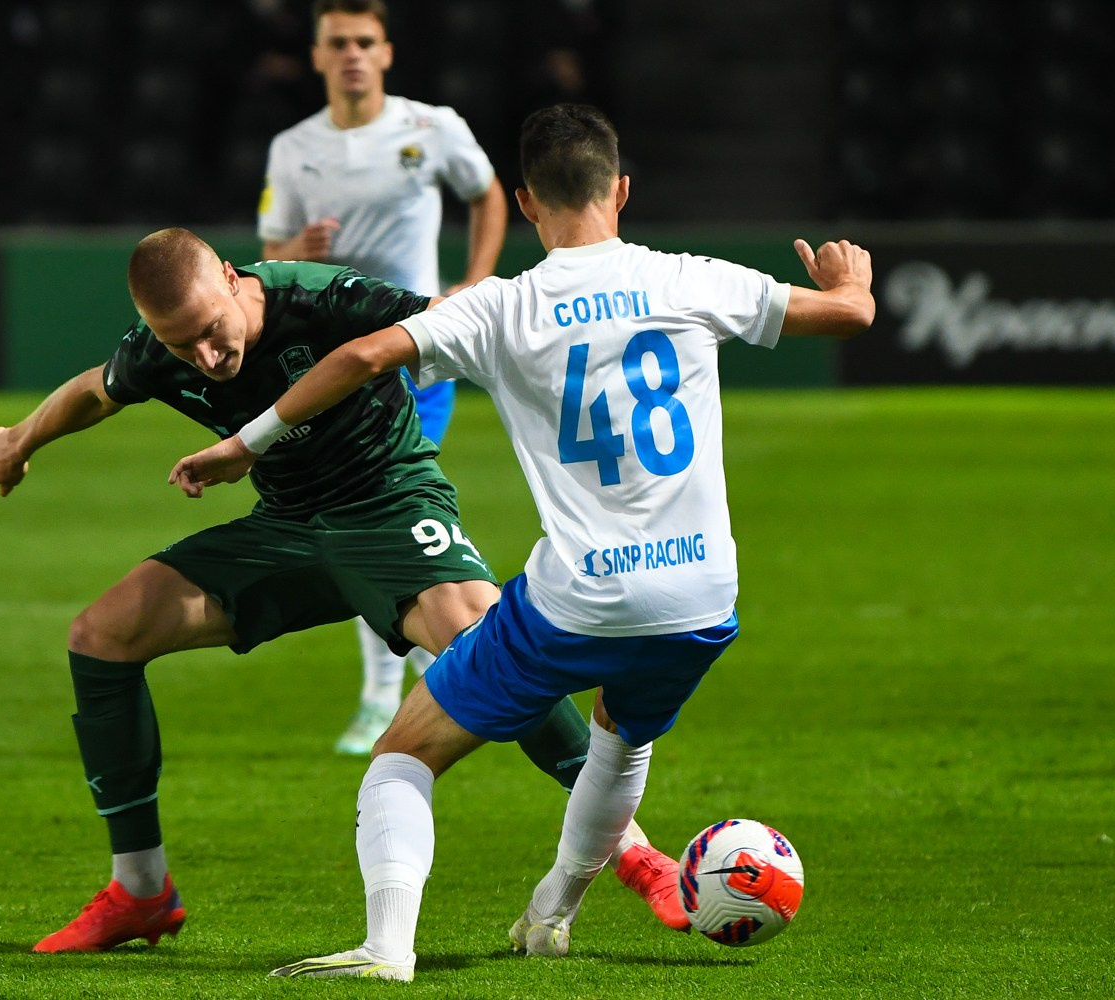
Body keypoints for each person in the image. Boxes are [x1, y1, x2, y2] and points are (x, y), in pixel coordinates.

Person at [168, 104, 876, 980]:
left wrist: (247, 444)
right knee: (621, 740)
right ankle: (551, 914)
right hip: (700, 596)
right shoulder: (692, 279)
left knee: (401, 757)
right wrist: (850, 278)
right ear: (621, 191)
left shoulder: (502, 306)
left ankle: (387, 947)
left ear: (527, 203)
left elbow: (358, 359)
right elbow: (849, 314)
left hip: (580, 597)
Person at [0, 226, 684, 953]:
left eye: (212, 331)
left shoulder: (321, 299)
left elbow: (446, 322)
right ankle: (140, 890)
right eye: (181, 346)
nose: (206, 357)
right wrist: (21, 440)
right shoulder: (163, 347)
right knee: (103, 634)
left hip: (389, 506)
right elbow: (96, 390)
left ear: (231, 278)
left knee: (490, 648)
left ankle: (636, 854)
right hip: (285, 527)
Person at [257, 0, 509, 756]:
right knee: (363, 516)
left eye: (365, 41)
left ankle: (381, 695)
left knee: (379, 511)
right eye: (338, 42)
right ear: (317, 56)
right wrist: (295, 249)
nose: (352, 54)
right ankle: (431, 665)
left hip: (411, 352)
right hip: (329, 362)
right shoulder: (293, 147)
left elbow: (487, 192)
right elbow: (269, 257)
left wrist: (475, 279)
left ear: (387, 52)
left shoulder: (431, 127)